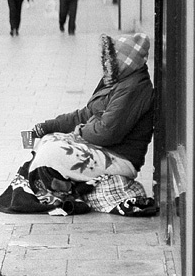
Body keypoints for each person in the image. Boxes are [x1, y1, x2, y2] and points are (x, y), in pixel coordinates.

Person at [29, 32, 155, 186]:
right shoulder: (118, 81)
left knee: (51, 153)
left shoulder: (134, 88)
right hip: (103, 148)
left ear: (124, 62)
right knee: (47, 140)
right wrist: (48, 126)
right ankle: (56, 187)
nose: (106, 65)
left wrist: (80, 132)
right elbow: (86, 113)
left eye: (111, 60)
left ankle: (56, 191)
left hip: (119, 158)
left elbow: (107, 132)